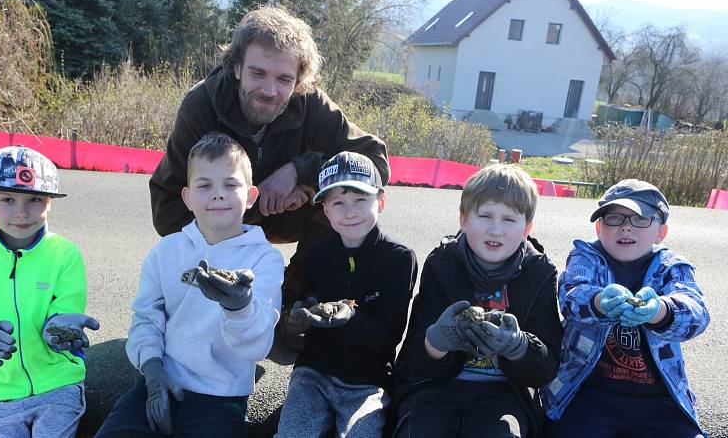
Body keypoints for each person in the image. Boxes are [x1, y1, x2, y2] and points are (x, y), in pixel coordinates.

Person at [148, 5, 389, 314]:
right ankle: (208, 287)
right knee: (204, 303)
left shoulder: (312, 105)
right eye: (257, 73)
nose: (269, 90)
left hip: (286, 215)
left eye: (284, 79)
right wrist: (241, 210)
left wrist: (302, 172)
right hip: (222, 213)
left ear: (299, 81)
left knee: (348, 197)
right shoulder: (201, 106)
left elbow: (374, 161)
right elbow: (167, 210)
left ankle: (296, 299)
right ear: (236, 68)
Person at [95, 132, 285, 437]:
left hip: (222, 398)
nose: (218, 194)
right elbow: (146, 318)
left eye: (230, 184)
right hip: (157, 384)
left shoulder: (266, 260)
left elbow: (257, 347)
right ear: (187, 197)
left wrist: (239, 308)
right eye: (205, 185)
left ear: (251, 196)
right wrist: (152, 370)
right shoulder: (166, 251)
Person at [0, 145, 100, 438]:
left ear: (49, 202)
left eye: (35, 199)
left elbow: (64, 313)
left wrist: (60, 331)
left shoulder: (65, 255)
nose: (21, 212)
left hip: (58, 384)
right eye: (7, 199)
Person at [393, 164, 562, 438]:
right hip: (435, 386)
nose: (496, 230)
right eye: (485, 215)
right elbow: (412, 358)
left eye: (509, 219)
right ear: (464, 219)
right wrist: (437, 339)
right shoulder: (442, 263)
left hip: (505, 394)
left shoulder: (539, 272)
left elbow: (547, 368)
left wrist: (517, 345)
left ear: (526, 228)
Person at [543, 179, 710, 438]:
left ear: (660, 232)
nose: (626, 228)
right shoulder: (586, 257)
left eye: (640, 220)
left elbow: (697, 312)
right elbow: (570, 294)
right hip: (589, 394)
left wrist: (661, 311)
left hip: (659, 401)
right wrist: (598, 302)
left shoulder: (672, 266)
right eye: (614, 218)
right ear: (599, 227)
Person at [274, 152, 417, 437]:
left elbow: (390, 336)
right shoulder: (315, 254)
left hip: (368, 380)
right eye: (338, 202)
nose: (350, 212)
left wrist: (350, 318)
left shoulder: (400, 259)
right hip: (312, 372)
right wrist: (296, 322)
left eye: (360, 200)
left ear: (381, 201)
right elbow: (299, 312)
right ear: (325, 211)